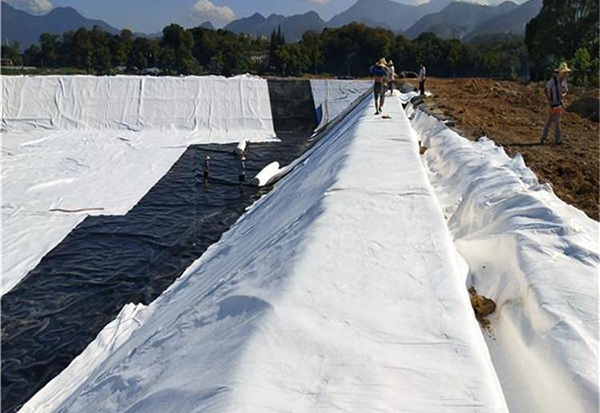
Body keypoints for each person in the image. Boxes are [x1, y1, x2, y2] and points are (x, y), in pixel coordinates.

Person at [541, 62, 571, 145]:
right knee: (549, 121)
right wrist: (549, 102)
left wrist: (563, 95)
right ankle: (543, 138)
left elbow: (565, 90)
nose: (565, 74)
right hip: (552, 103)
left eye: (566, 72)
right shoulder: (552, 80)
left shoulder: (564, 81)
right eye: (564, 72)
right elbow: (546, 90)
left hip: (558, 104)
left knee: (557, 122)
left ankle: (557, 140)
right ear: (560, 72)